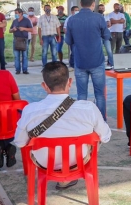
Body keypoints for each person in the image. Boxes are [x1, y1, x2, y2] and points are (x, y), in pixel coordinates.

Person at [14, 61, 111, 190]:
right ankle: (68, 178)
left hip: (45, 164)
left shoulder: (30, 111)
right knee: (97, 136)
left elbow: (20, 142)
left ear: (44, 86)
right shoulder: (88, 108)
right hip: (79, 161)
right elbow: (106, 136)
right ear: (70, 82)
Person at [65, 0, 111, 120]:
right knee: (100, 95)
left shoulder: (72, 20)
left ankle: (83, 122)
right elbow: (107, 36)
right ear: (93, 4)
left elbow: (68, 41)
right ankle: (102, 122)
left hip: (80, 62)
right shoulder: (99, 18)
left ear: (80, 4)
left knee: (82, 95)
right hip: (97, 61)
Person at [9, 8, 33, 74]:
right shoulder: (14, 21)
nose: (16, 15)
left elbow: (31, 29)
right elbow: (9, 30)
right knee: (16, 56)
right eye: (15, 13)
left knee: (25, 56)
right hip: (16, 40)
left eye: (16, 13)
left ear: (21, 13)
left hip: (24, 40)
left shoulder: (26, 20)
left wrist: (24, 29)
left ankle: (25, 70)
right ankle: (17, 70)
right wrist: (12, 30)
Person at [97, 4, 114, 69]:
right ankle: (101, 64)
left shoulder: (106, 16)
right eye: (100, 8)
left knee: (109, 51)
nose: (101, 9)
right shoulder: (96, 16)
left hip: (106, 36)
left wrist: (102, 26)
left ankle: (112, 64)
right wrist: (104, 25)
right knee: (100, 50)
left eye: (102, 8)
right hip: (99, 36)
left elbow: (109, 25)